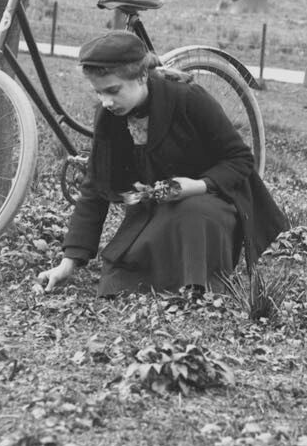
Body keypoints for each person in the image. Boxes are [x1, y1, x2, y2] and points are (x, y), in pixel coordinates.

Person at [36, 31, 288, 297]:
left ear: (142, 76)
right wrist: (68, 262)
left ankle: (200, 285)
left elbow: (240, 160)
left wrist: (197, 185)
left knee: (192, 214)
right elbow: (95, 186)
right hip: (159, 208)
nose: (106, 102)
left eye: (113, 90)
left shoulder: (189, 98)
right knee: (122, 278)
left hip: (213, 202)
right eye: (99, 93)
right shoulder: (108, 115)